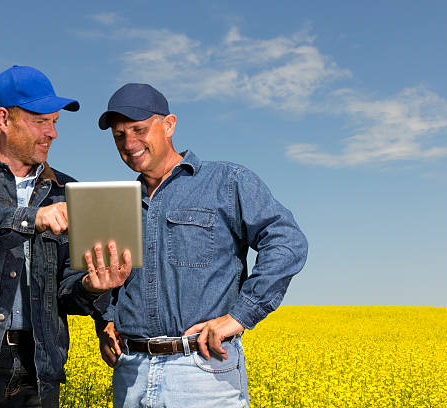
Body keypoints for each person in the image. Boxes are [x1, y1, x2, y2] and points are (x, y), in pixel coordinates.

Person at [0, 65, 131, 408]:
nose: (53, 133)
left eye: (55, 122)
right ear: (3, 119)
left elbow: (67, 290)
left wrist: (92, 287)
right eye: (41, 122)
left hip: (39, 371)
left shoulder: (66, 190)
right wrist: (31, 219)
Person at [96, 83, 309, 407]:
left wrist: (240, 315)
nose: (129, 143)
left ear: (169, 125)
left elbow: (287, 241)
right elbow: (113, 276)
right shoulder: (116, 203)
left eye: (139, 129)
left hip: (202, 372)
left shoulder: (226, 181)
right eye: (119, 136)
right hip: (131, 372)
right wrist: (107, 317)